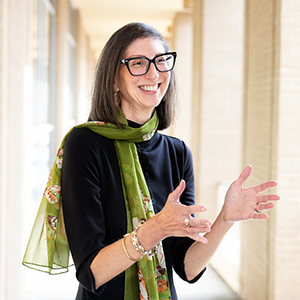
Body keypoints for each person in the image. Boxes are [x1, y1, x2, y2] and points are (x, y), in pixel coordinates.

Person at [23, 22, 280, 300]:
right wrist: (155, 229)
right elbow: (91, 272)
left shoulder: (177, 153)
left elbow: (187, 268)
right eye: (138, 63)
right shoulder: (85, 145)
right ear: (113, 78)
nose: (153, 73)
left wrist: (225, 219)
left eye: (161, 61)